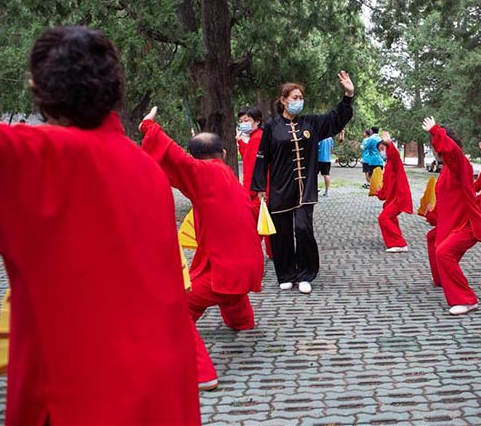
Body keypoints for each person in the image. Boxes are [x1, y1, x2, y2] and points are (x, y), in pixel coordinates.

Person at [0, 26, 200, 425]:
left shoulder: (32, 159)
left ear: (39, 89)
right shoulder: (147, 170)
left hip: (80, 399)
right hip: (162, 392)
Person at [140, 107, 264, 392]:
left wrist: (149, 126)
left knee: (173, 310)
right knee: (227, 290)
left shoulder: (201, 173)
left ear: (197, 157)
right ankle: (242, 321)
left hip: (226, 269)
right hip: (248, 265)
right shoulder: (227, 174)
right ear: (222, 153)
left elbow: (173, 157)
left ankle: (201, 373)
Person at [251, 73, 354, 294]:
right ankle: (286, 274)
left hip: (304, 189)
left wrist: (348, 95)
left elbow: (335, 119)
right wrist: (259, 187)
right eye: (295, 97)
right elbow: (262, 157)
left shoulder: (311, 123)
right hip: (280, 187)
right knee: (282, 232)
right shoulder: (271, 127)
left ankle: (306, 273)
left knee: (303, 228)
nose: (299, 101)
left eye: (301, 97)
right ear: (283, 100)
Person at [422, 116, 481, 315]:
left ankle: (467, 299)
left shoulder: (460, 164)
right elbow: (447, 202)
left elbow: (452, 153)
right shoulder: (447, 170)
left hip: (468, 225)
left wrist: (435, 130)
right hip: (453, 223)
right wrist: (431, 215)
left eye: (437, 147)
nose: (435, 150)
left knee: (444, 252)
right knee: (432, 238)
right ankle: (442, 278)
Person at [237, 106, 272, 258]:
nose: (243, 123)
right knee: (265, 223)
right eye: (241, 121)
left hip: (257, 191)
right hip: (260, 189)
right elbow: (248, 156)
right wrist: (241, 142)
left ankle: (252, 256)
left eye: (247, 120)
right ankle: (272, 254)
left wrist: (250, 191)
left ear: (257, 121)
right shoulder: (256, 137)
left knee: (256, 227)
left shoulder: (257, 138)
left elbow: (254, 168)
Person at [376, 131, 413, 252]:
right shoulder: (388, 165)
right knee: (389, 217)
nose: (382, 152)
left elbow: (394, 155)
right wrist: (378, 192)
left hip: (399, 197)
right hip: (393, 198)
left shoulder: (395, 161)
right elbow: (387, 186)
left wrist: (388, 142)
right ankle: (396, 240)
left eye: (383, 149)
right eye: (379, 150)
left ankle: (399, 243)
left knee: (384, 218)